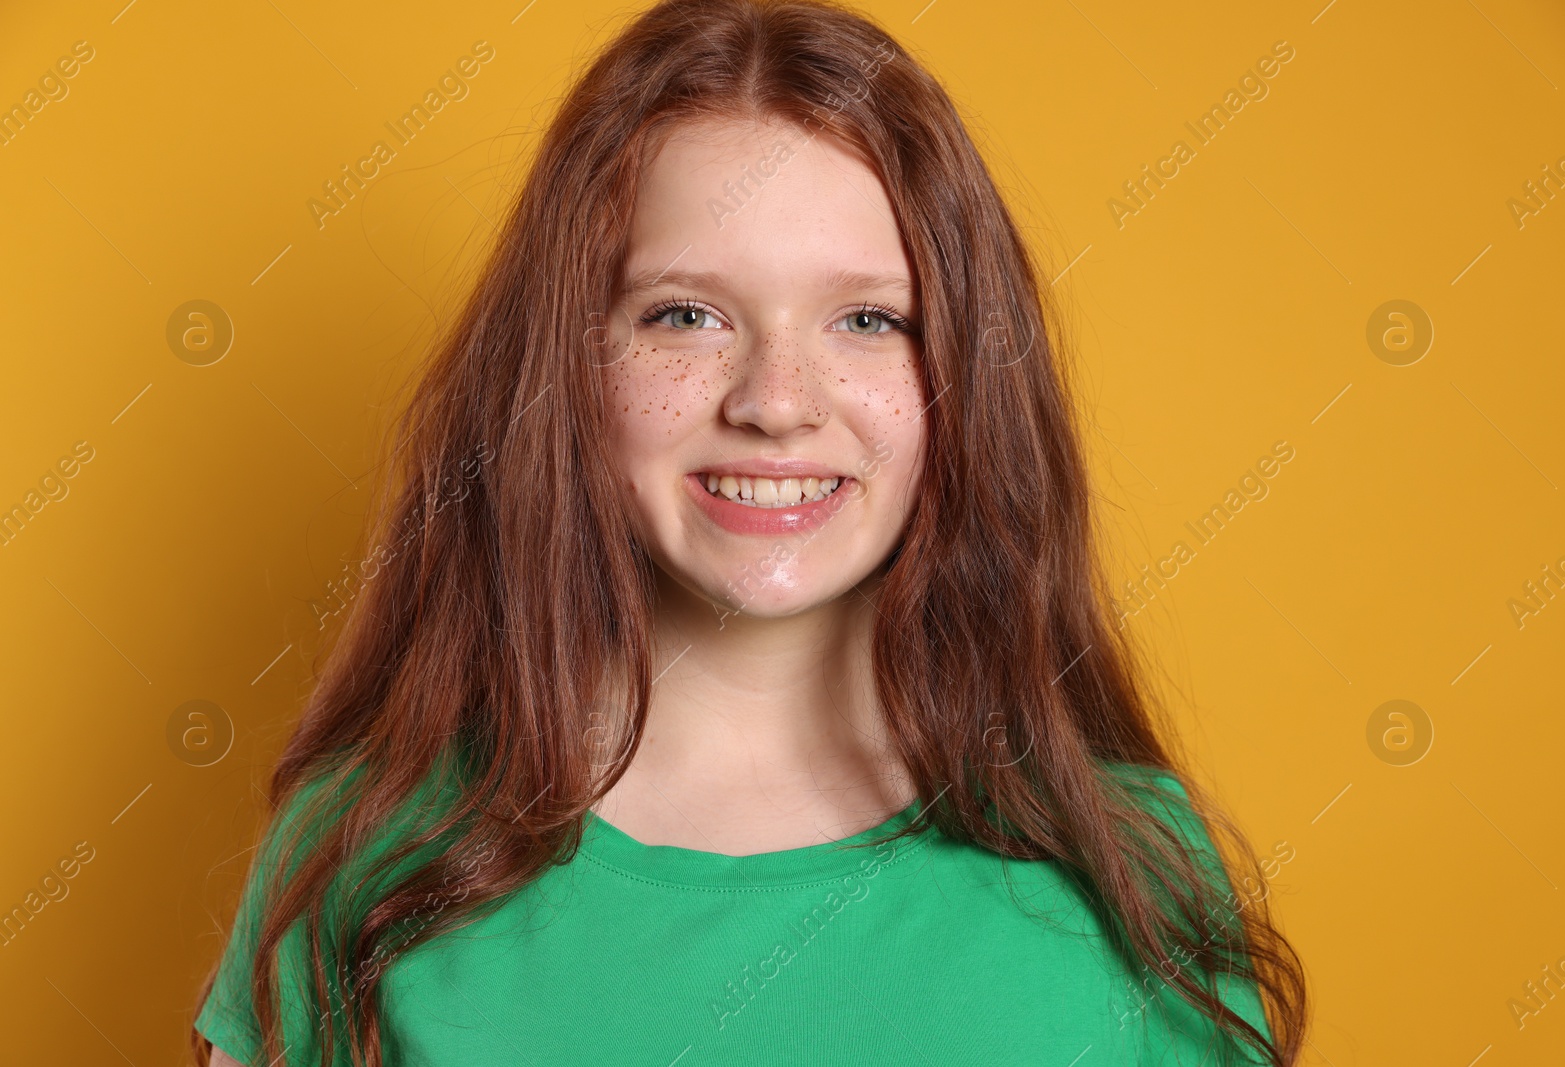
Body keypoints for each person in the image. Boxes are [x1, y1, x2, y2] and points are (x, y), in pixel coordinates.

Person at [191, 0, 1307, 1063]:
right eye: (686, 314)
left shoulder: (1133, 871)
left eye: (868, 319)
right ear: (571, 366)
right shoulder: (364, 861)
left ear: (961, 376)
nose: (776, 399)